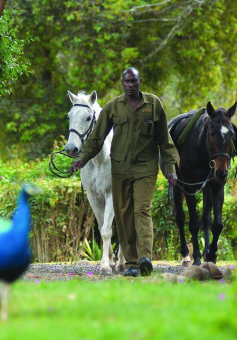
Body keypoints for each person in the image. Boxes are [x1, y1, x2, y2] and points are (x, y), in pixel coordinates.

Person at [70, 67, 178, 277]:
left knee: (142, 209)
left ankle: (144, 257)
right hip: (119, 169)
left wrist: (171, 170)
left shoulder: (153, 104)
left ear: (139, 82)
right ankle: (130, 262)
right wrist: (82, 159)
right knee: (124, 213)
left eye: (134, 81)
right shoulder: (113, 107)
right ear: (122, 83)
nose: (130, 85)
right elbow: (96, 138)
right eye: (126, 82)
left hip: (145, 169)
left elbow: (165, 141)